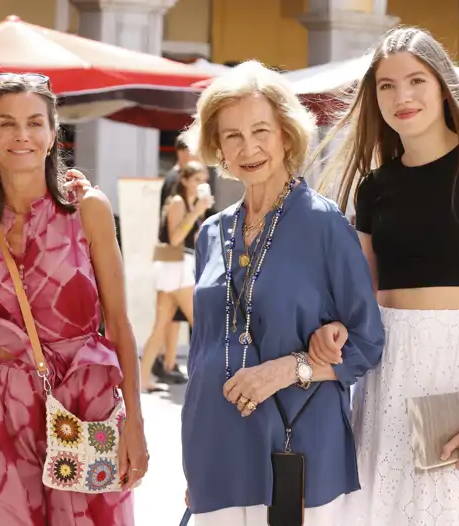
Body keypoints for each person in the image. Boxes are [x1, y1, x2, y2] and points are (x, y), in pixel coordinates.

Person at [314, 26, 459, 525]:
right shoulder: (372, 189)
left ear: (442, 85)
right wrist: (336, 330)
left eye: (416, 80)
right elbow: (360, 303)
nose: (401, 97)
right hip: (386, 377)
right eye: (386, 86)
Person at [180, 60, 384, 525]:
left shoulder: (324, 223)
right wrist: (195, 455)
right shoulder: (211, 233)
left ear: (287, 135)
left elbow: (367, 344)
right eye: (231, 135)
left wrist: (286, 369)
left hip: (297, 447)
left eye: (260, 131)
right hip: (216, 446)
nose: (247, 147)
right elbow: (202, 353)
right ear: (216, 146)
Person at [0, 73, 147, 526]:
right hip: (6, 403)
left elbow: (118, 322)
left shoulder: (86, 209)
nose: (23, 135)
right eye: (8, 124)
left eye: (36, 122)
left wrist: (134, 421)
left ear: (54, 134)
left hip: (86, 397)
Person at [141, 160, 213, 393]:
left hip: (179, 266)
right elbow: (174, 239)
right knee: (201, 320)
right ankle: (213, 376)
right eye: (196, 180)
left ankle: (142, 379)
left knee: (162, 325)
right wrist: (197, 212)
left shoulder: (191, 204)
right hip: (175, 266)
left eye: (204, 180)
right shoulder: (179, 202)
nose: (201, 184)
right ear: (184, 181)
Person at [155, 133, 198, 384]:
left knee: (169, 315)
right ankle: (167, 362)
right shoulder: (177, 180)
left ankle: (166, 362)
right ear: (183, 151)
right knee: (174, 315)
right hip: (174, 252)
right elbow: (175, 231)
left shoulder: (175, 177)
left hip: (170, 252)